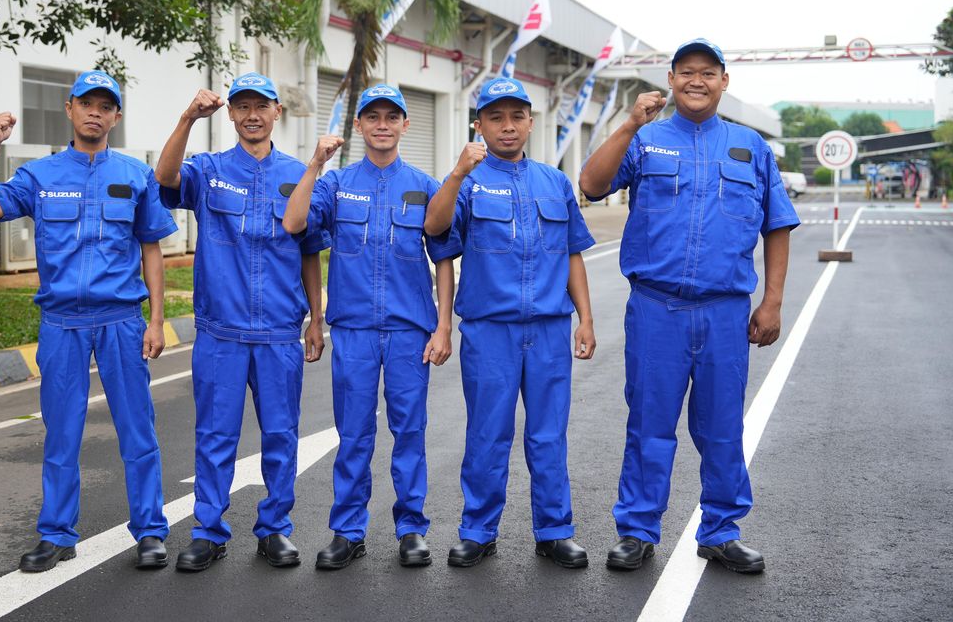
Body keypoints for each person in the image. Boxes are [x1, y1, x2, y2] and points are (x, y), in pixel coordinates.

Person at [578, 38, 799, 574]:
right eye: (686, 72)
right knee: (649, 424)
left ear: (725, 82)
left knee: (722, 427)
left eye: (707, 72)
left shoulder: (751, 147)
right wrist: (629, 124)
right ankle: (636, 530)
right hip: (658, 309)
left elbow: (777, 225)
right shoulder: (647, 140)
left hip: (725, 312)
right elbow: (591, 184)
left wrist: (770, 302)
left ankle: (721, 530)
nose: (696, 81)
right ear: (671, 79)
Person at [0, 70, 177, 572]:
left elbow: (151, 250)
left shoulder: (135, 174)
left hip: (121, 320)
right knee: (62, 433)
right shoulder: (41, 176)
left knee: (137, 431)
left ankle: (150, 531)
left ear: (116, 117)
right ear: (70, 109)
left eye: (106, 106)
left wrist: (156, 319)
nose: (95, 113)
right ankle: (57, 534)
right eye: (87, 103)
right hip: (61, 323)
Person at [154, 72, 327, 572]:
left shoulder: (300, 174)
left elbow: (310, 251)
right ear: (230, 114)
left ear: (277, 113)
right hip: (220, 330)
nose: (252, 115)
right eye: (242, 106)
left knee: (281, 433)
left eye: (262, 106)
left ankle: (275, 529)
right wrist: (187, 118)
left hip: (279, 331)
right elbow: (165, 179)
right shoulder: (207, 170)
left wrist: (317, 318)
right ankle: (208, 531)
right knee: (214, 434)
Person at [424, 77, 597, 569]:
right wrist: (457, 174)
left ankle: (555, 530)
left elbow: (572, 254)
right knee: (488, 433)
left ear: (530, 122)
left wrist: (585, 318)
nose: (507, 127)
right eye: (496, 118)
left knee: (548, 434)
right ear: (478, 124)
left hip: (547, 330)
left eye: (516, 117)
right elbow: (434, 228)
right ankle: (478, 531)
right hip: (489, 330)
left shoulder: (554, 181)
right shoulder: (469, 180)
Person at [282, 84, 456, 570]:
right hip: (354, 330)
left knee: (409, 431)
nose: (382, 124)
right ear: (358, 126)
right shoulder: (336, 184)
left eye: (391, 117)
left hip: (409, 332)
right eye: (372, 117)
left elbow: (442, 259)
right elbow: (297, 228)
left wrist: (443, 326)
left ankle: (411, 528)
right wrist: (314, 164)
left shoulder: (425, 185)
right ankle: (348, 530)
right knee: (353, 433)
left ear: (405, 125)